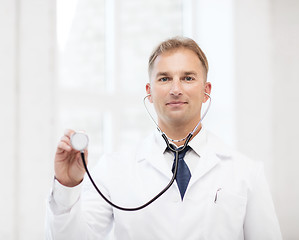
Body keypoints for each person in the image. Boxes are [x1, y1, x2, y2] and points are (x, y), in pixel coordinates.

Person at [45, 37, 282, 239]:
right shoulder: (114, 168)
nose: (175, 89)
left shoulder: (246, 172)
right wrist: (67, 186)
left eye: (188, 78)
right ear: (149, 92)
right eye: (164, 78)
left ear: (206, 90)